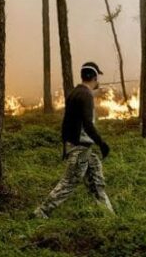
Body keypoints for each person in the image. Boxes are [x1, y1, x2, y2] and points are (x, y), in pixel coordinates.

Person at [33, 62, 114, 219]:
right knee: (70, 182)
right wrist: (101, 143)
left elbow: (67, 122)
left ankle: (109, 216)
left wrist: (65, 146)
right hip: (80, 148)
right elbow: (87, 123)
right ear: (94, 77)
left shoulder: (76, 93)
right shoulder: (85, 95)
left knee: (97, 184)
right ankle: (41, 212)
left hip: (82, 148)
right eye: (98, 77)